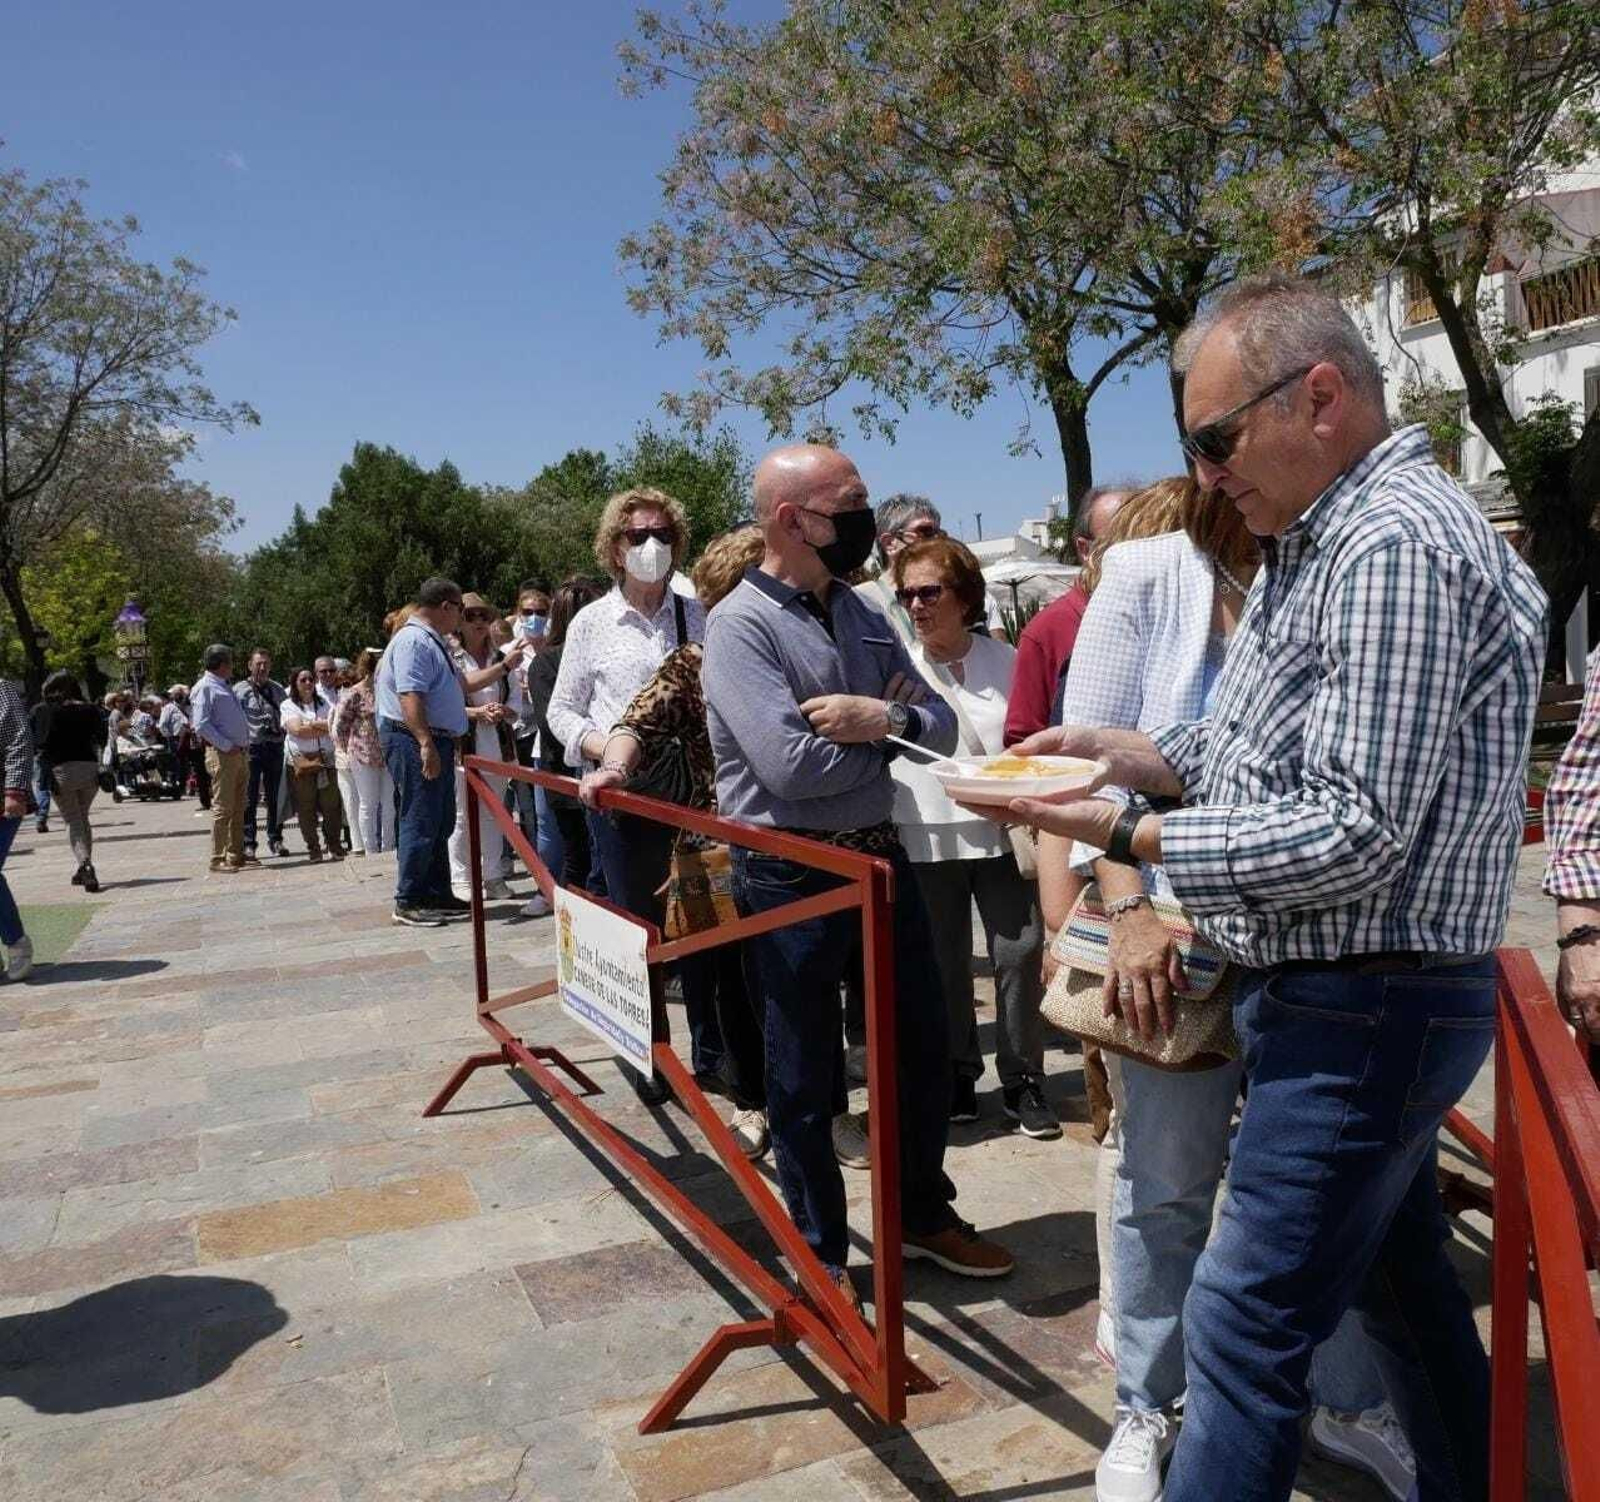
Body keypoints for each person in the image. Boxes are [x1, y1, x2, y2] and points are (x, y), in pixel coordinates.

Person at [998, 274, 1545, 1502]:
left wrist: (1132, 835)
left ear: (1320, 396)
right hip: (1341, 997)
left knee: (1242, 1330)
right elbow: (1248, 748)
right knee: (1400, 1301)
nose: (1201, 475)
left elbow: (1354, 830)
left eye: (1214, 439)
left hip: (1364, 1001)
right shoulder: (1327, 538)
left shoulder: (1393, 540)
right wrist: (1132, 753)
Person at [1054, 475, 1411, 1502]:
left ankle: (1343, 1399)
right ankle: (1147, 1404)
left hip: (1322, 941)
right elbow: (1093, 768)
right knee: (1162, 1181)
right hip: (1174, 933)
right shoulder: (1143, 573)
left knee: (1321, 1190)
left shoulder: (1341, 567)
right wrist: (1122, 913)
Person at [702, 441, 1016, 1304]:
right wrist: (890, 747)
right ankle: (820, 1251)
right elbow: (789, 768)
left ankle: (920, 1211)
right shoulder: (740, 626)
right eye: (847, 508)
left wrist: (875, 718)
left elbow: (940, 728)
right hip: (788, 871)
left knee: (920, 1048)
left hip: (879, 856)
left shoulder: (860, 610)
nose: (862, 525)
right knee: (803, 1075)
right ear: (791, 520)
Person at [579, 526, 771, 1154]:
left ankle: (810, 1101)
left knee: (790, 976)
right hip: (711, 839)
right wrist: (613, 762)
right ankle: (750, 1099)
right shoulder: (694, 659)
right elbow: (638, 716)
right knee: (729, 976)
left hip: (795, 837)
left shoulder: (804, 645)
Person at [548, 488, 725, 1103]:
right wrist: (605, 752)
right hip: (625, 799)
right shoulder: (591, 623)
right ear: (613, 549)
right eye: (636, 535)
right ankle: (651, 1051)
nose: (651, 546)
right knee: (640, 931)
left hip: (699, 797)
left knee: (705, 924)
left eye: (662, 534)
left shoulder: (699, 611)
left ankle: (713, 1054)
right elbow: (561, 712)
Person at [886, 535, 1055, 1138]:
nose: (917, 604)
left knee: (1019, 950)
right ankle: (958, 1071)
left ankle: (1023, 1079)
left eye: (930, 591)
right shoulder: (896, 664)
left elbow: (1031, 736)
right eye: (907, 593)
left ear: (964, 596)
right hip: (924, 830)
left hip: (1003, 829)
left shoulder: (1006, 660)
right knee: (943, 961)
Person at [376, 578, 476, 928]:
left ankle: (435, 892)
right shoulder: (415, 640)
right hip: (413, 738)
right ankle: (409, 899)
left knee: (439, 819)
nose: (462, 618)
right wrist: (425, 743)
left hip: (431, 739)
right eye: (461, 610)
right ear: (446, 606)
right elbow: (410, 696)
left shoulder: (429, 640)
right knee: (420, 818)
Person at [1003, 485, 1133, 745]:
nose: (1136, 554)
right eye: (1120, 544)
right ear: (1084, 549)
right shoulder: (1045, 632)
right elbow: (1022, 740)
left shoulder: (1165, 617)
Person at [524, 577, 607, 911]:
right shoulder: (547, 662)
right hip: (569, 771)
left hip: (591, 771)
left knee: (592, 858)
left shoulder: (547, 662)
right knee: (583, 857)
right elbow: (550, 721)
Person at [448, 592, 528, 903]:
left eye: (484, 616)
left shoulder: (500, 658)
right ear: (460, 622)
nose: (480, 622)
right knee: (461, 814)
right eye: (472, 616)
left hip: (497, 745)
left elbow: (516, 702)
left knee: (495, 812)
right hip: (462, 746)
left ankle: (493, 875)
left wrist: (501, 711)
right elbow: (446, 703)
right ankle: (461, 877)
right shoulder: (451, 659)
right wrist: (475, 713)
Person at [855, 494, 1004, 644]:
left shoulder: (957, 595)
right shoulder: (862, 602)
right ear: (890, 544)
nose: (936, 541)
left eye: (939, 533)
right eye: (925, 532)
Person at [35, 673, 106, 893]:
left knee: (73, 820)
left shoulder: (47, 711)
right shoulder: (91, 709)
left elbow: (40, 742)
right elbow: (101, 738)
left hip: (61, 770)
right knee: (83, 817)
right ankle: (83, 865)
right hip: (89, 769)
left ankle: (85, 865)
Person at [190, 645, 253, 874]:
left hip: (239, 754)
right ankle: (217, 859)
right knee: (223, 808)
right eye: (230, 662)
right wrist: (226, 745)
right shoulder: (205, 687)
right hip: (223, 755)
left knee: (238, 807)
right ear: (222, 664)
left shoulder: (222, 686)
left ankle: (235, 854)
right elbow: (201, 724)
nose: (232, 666)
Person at [332, 649, 395, 855]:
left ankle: (388, 846)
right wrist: (346, 750)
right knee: (368, 804)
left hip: (387, 754)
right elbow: (340, 725)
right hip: (362, 755)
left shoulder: (386, 690)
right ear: (369, 669)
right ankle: (370, 849)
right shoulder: (354, 693)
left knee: (389, 803)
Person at [280, 667, 345, 863]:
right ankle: (313, 848)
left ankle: (333, 844)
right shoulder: (288, 705)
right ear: (295, 684)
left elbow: (334, 726)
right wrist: (320, 725)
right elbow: (297, 730)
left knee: (331, 806)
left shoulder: (324, 703)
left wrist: (312, 725)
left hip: (326, 760)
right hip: (301, 762)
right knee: (306, 808)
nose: (308, 683)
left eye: (310, 679)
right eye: (303, 680)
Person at [234, 648, 288, 859]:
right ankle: (249, 843)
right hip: (252, 748)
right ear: (250, 665)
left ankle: (276, 839)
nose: (262, 668)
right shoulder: (239, 690)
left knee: (276, 797)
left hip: (275, 747)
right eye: (258, 664)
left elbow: (287, 713)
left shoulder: (277, 689)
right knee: (250, 797)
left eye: (266, 663)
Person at [0, 680, 34, 981]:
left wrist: (14, 790)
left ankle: (16, 941)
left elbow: (19, 740)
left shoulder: (2, 689)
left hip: (4, 795)